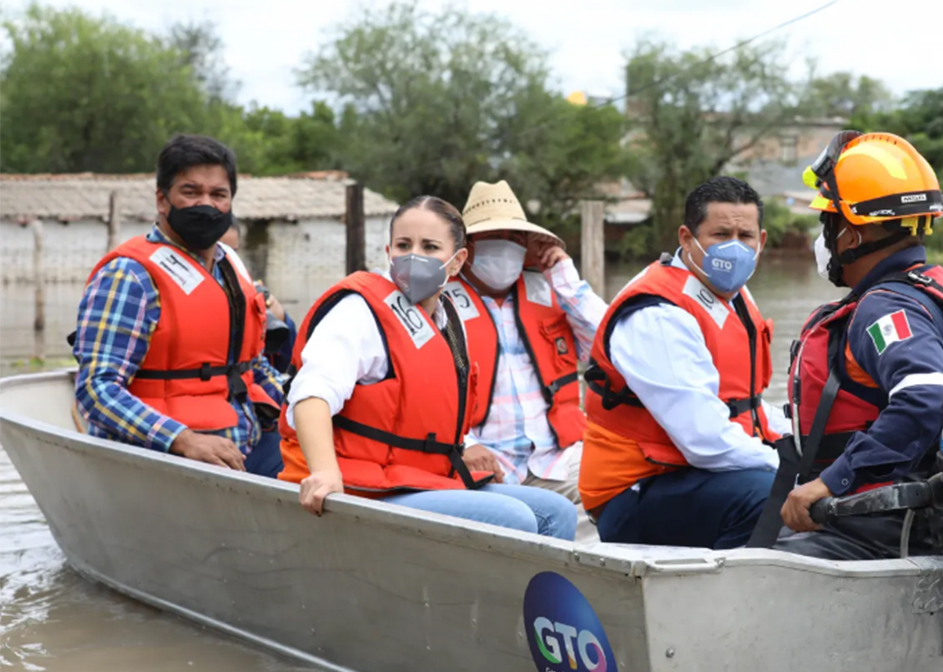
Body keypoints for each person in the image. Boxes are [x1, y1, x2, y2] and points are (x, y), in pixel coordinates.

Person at [277, 194, 577, 540]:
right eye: (404, 245)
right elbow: (311, 394)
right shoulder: (359, 311)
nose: (414, 255)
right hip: (364, 483)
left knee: (558, 512)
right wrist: (325, 473)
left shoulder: (449, 318)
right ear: (388, 252)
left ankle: (533, 594)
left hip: (421, 477)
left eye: (430, 246)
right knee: (514, 519)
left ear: (456, 261)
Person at [766, 131, 943, 560]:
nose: (824, 239)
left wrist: (831, 482)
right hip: (939, 511)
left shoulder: (884, 311)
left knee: (757, 575)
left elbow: (927, 399)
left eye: (828, 224)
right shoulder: (936, 292)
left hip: (881, 523)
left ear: (852, 236)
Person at [579, 176, 787, 549]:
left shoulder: (732, 293)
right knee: (771, 492)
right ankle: (730, 597)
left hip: (693, 475)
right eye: (720, 235)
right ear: (687, 238)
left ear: (762, 242)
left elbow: (747, 404)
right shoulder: (658, 314)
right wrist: (789, 469)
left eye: (746, 237)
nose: (734, 249)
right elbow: (704, 440)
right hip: (633, 491)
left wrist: (803, 443)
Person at [71, 134, 286, 477]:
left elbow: (251, 366)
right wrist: (182, 440)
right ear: (162, 199)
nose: (206, 204)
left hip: (249, 443)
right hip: (169, 461)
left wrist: (305, 402)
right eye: (191, 192)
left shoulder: (230, 265)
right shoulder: (130, 275)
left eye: (218, 195)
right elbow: (96, 390)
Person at [443, 180, 607, 540]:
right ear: (466, 247)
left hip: (556, 458)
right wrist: (464, 445)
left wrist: (566, 278)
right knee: (517, 524)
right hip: (480, 463)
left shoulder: (550, 293)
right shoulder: (438, 304)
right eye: (492, 236)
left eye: (515, 237)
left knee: (626, 485)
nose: (505, 246)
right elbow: (422, 393)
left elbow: (614, 346)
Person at [218, 222, 296, 373]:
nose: (227, 261)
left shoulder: (249, 292)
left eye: (233, 253)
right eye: (218, 252)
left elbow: (287, 364)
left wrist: (282, 319)